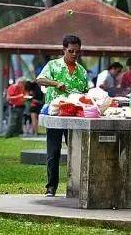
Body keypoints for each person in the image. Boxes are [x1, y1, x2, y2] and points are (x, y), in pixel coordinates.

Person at [36, 34, 89, 197]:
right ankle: (51, 187)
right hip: (56, 114)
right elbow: (39, 80)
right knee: (53, 151)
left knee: (76, 151)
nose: (74, 54)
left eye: (77, 52)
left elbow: (85, 92)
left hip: (74, 116)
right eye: (71, 51)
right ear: (64, 50)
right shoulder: (53, 65)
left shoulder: (82, 71)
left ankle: (76, 187)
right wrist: (55, 83)